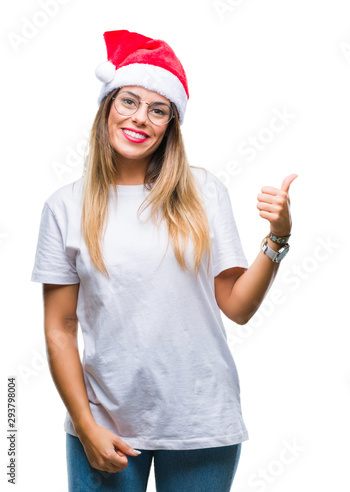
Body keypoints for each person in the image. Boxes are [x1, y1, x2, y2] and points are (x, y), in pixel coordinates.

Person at [31, 30, 296, 491]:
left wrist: (277, 238)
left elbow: (236, 306)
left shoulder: (203, 192)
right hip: (104, 422)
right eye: (129, 102)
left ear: (171, 124)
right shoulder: (64, 207)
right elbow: (60, 327)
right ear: (107, 107)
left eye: (158, 110)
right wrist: (85, 424)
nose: (140, 119)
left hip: (200, 421)